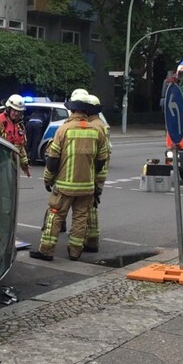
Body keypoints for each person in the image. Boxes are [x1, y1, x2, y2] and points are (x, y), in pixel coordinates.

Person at [31, 90, 109, 262]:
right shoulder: (97, 131)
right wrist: (94, 180)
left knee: (55, 215)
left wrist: (48, 179)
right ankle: (75, 252)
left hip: (65, 186)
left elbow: (52, 159)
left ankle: (46, 251)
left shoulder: (63, 130)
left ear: (72, 110)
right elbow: (102, 160)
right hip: (86, 187)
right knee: (80, 219)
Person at [84, 93, 109, 253]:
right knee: (92, 204)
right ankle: (91, 239)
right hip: (100, 171)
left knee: (90, 206)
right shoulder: (101, 123)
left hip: (95, 172)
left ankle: (91, 240)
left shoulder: (94, 126)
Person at [0, 94, 31, 177]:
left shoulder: (20, 126)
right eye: (14, 110)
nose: (16, 113)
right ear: (8, 109)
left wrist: (24, 165)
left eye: (19, 111)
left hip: (12, 167)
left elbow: (20, 148)